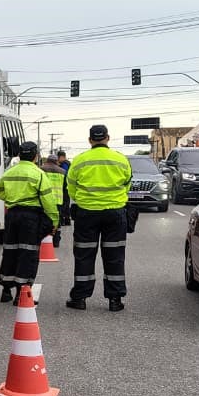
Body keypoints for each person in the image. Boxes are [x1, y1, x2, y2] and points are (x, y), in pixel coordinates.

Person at [66, 125, 133, 311]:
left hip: (86, 213)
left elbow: (71, 187)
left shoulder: (80, 160)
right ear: (108, 138)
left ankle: (79, 298)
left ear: (90, 140)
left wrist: (80, 201)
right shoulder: (121, 159)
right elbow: (127, 185)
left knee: (84, 256)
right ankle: (115, 300)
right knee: (115, 256)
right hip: (115, 213)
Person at [0, 142, 60, 303]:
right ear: (36, 156)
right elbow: (48, 201)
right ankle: (21, 294)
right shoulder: (38, 174)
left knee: (10, 250)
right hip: (30, 217)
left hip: (12, 214)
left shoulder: (9, 172)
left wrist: (12, 199)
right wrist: (54, 221)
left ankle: (6, 290)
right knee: (27, 253)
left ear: (19, 155)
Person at [42, 155, 71, 247]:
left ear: (47, 161)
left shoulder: (41, 170)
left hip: (44, 199)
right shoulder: (63, 171)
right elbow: (66, 188)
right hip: (58, 200)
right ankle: (56, 241)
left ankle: (44, 239)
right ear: (56, 162)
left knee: (43, 220)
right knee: (56, 221)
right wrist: (66, 204)